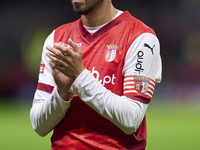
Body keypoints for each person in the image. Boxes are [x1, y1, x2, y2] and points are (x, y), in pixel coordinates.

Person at [30, 0, 162, 149]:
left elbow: (131, 119)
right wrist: (61, 93)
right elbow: (39, 126)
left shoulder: (140, 37)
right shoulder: (57, 38)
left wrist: (80, 77)